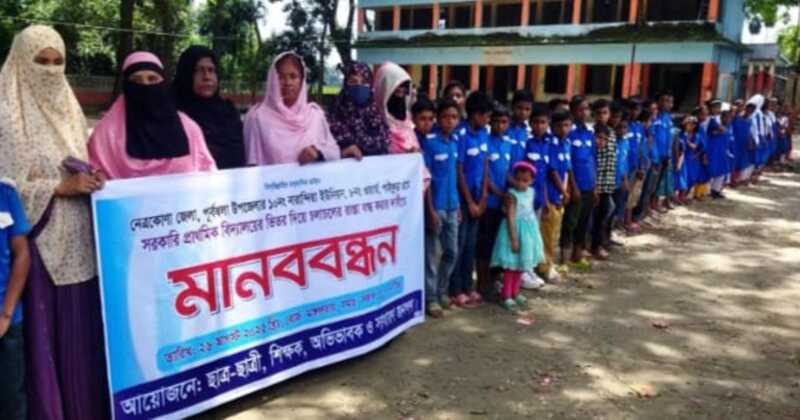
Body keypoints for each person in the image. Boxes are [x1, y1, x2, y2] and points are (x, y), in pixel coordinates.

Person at [0, 25, 109, 420]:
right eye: (40, 61)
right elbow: (5, 188)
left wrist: (92, 178)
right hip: (34, 252)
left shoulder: (70, 108)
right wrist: (59, 188)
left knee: (78, 337)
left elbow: (79, 159)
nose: (49, 70)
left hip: (79, 241)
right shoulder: (6, 114)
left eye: (57, 61)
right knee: (43, 344)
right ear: (20, 62)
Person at [90, 51, 217, 179]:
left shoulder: (188, 129)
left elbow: (208, 173)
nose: (145, 86)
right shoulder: (107, 133)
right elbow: (93, 171)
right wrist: (97, 177)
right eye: (136, 80)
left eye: (152, 79)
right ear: (126, 86)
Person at [245, 52, 340, 165]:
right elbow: (252, 162)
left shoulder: (315, 116)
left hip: (312, 177)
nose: (287, 83)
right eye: (280, 77)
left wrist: (317, 152)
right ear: (272, 80)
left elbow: (334, 152)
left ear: (302, 81)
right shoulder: (257, 118)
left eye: (293, 76)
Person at [172, 45, 246, 169]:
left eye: (211, 70)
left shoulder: (228, 111)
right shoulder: (173, 112)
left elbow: (239, 153)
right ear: (186, 74)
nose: (207, 77)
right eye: (199, 70)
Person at [450, 91, 492, 307]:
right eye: (486, 115)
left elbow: (485, 164)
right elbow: (459, 171)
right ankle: (455, 289)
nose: (488, 120)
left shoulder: (484, 133)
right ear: (475, 114)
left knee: (471, 246)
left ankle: (468, 286)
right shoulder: (461, 134)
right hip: (463, 201)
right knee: (459, 245)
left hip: (479, 199)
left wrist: (483, 196)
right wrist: (470, 202)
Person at [421, 98, 461, 318]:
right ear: (438, 118)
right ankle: (431, 299)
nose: (450, 121)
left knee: (452, 252)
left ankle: (442, 290)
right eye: (445, 116)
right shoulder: (429, 143)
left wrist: (459, 206)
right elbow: (425, 180)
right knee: (431, 256)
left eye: (454, 117)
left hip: (453, 207)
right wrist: (430, 210)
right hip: (436, 208)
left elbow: (454, 177)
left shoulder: (455, 142)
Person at [491, 161, 545, 311]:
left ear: (532, 181)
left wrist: (534, 233)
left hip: (528, 232)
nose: (521, 183)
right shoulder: (511, 195)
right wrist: (514, 239)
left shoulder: (531, 192)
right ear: (513, 178)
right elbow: (510, 217)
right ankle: (506, 295)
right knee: (511, 265)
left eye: (525, 181)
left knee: (521, 264)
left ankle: (515, 292)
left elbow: (530, 211)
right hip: (514, 231)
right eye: (518, 180)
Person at [0, 179, 31, 420]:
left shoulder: (5, 193)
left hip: (6, 322)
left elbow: (22, 254)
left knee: (12, 403)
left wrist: (6, 314)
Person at [477, 102, 514, 299]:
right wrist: (498, 193)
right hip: (489, 202)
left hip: (503, 204)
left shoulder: (507, 143)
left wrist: (515, 187)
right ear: (490, 122)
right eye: (496, 121)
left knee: (499, 244)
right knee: (485, 244)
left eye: (504, 122)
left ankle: (494, 280)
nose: (500, 125)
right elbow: (485, 174)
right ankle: (482, 283)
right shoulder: (486, 142)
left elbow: (506, 171)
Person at [328, 61, 390, 159]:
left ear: (371, 85)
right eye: (353, 81)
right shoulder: (334, 116)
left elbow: (386, 146)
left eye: (364, 82)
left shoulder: (377, 115)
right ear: (345, 85)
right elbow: (324, 152)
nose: (359, 86)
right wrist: (342, 153)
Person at [561, 96, 596, 269]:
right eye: (580, 109)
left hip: (589, 183)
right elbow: (568, 163)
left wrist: (595, 186)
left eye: (586, 109)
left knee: (583, 221)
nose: (584, 112)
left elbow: (592, 159)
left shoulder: (589, 132)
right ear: (573, 111)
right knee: (570, 222)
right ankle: (564, 259)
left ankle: (578, 254)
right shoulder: (569, 132)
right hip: (575, 185)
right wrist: (573, 186)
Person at [542, 111, 572, 276]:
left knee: (554, 233)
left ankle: (550, 262)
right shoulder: (551, 144)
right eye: (559, 126)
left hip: (560, 195)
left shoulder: (566, 143)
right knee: (547, 233)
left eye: (567, 125)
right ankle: (545, 267)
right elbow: (552, 171)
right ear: (552, 127)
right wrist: (562, 192)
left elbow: (566, 170)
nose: (563, 129)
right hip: (551, 194)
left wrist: (565, 191)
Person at [373, 62, 422, 154]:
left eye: (404, 89)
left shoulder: (408, 121)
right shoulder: (374, 121)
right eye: (396, 90)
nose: (401, 93)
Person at [591, 124, 615, 260]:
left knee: (602, 216)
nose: (601, 141)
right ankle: (594, 246)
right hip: (594, 189)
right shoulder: (591, 152)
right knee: (594, 219)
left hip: (605, 188)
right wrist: (595, 189)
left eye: (605, 139)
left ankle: (598, 245)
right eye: (599, 138)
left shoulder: (606, 151)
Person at [654, 92, 675, 211]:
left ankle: (654, 204)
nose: (667, 104)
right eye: (664, 100)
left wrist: (668, 154)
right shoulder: (655, 116)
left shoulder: (668, 117)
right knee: (651, 183)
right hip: (655, 157)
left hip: (665, 156)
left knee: (659, 182)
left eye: (669, 101)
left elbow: (668, 138)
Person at [508, 90, 534, 165]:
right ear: (512, 106)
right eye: (519, 108)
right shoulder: (503, 126)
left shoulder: (531, 130)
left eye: (527, 109)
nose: (523, 112)